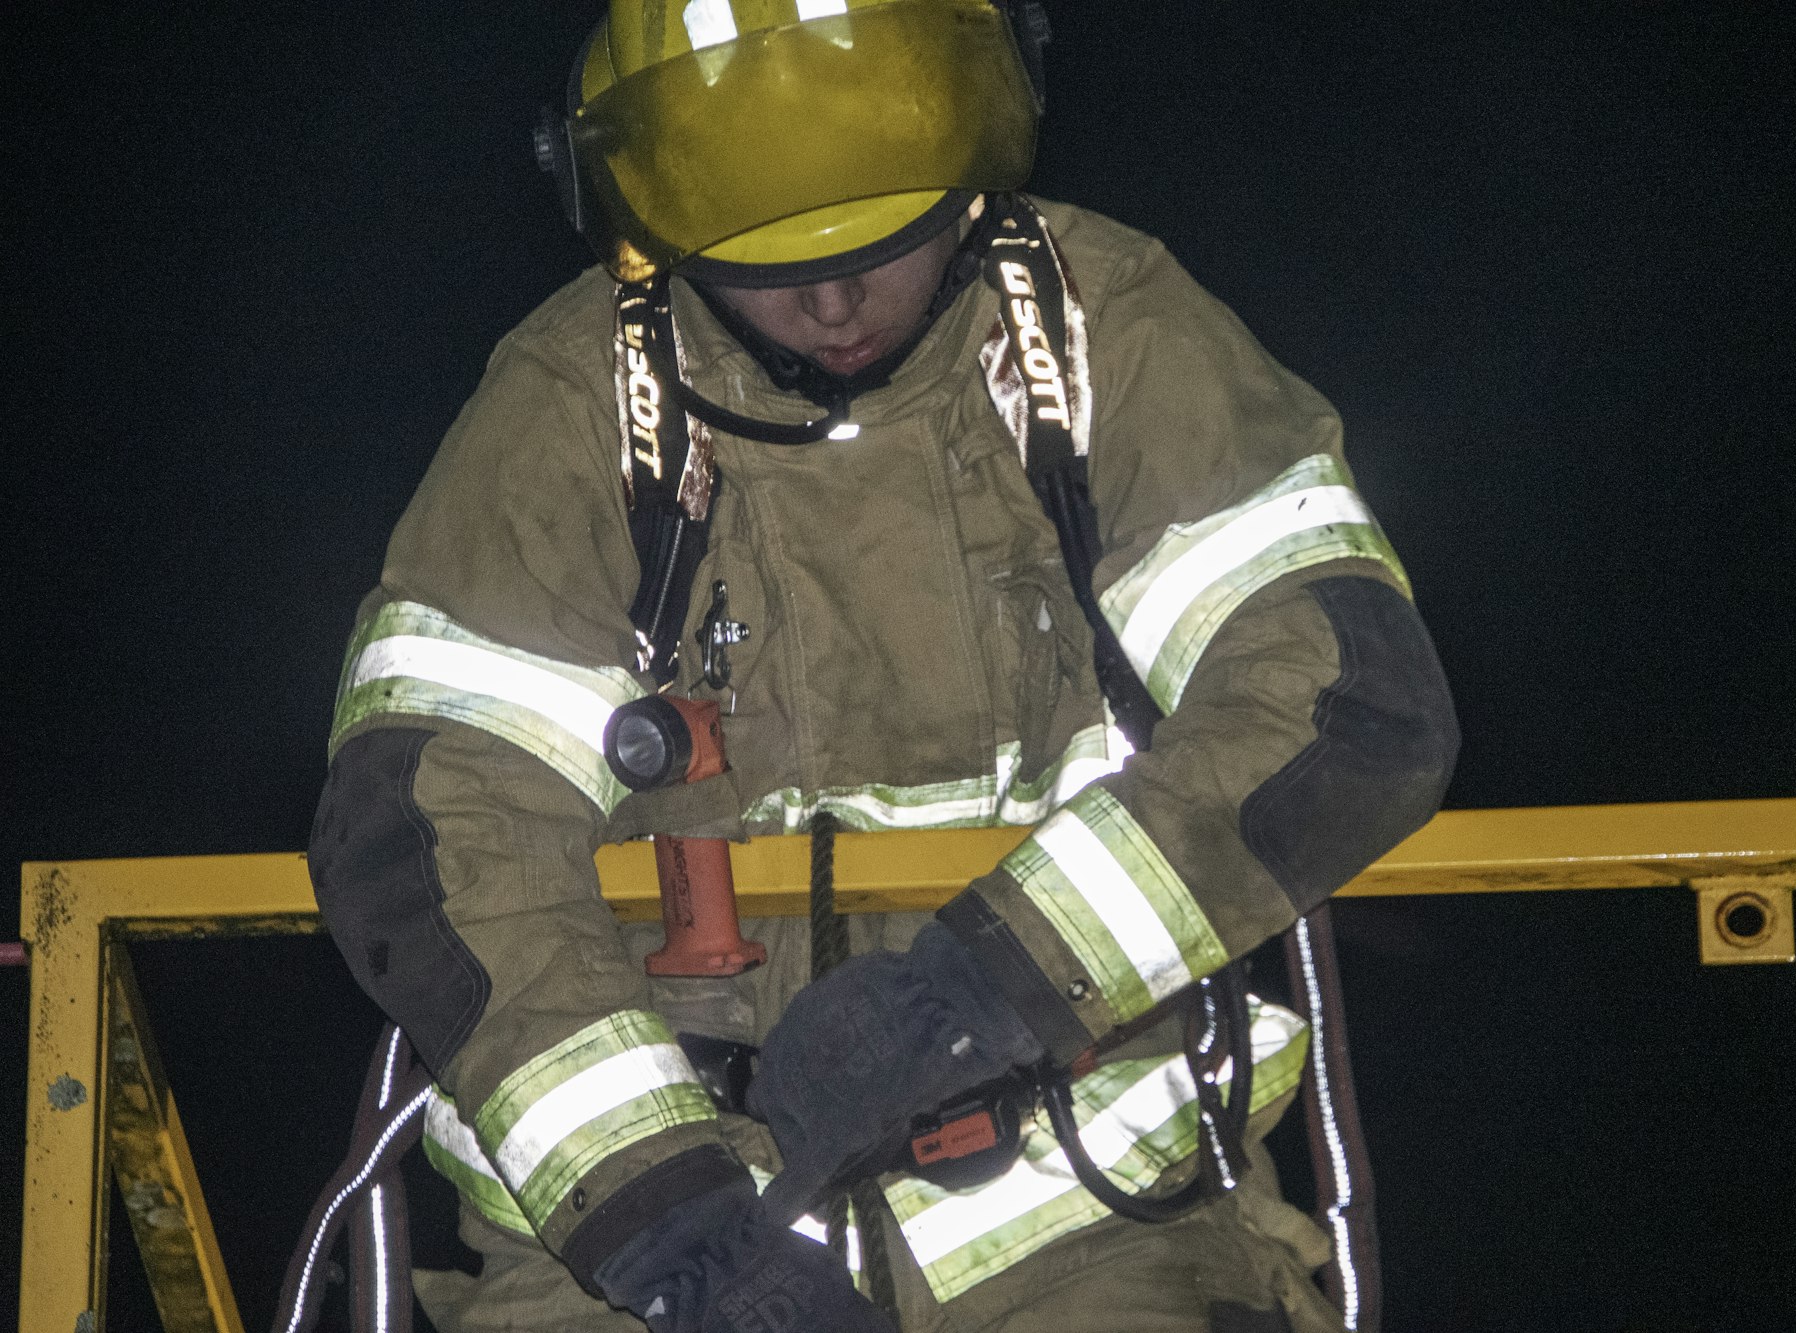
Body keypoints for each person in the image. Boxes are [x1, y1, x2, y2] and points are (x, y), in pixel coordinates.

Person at [306, 2, 1458, 1330]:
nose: (833, 300)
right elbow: (434, 828)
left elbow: (1346, 704)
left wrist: (985, 991)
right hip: (633, 1257)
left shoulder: (1102, 335)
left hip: (1099, 1218)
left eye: (881, 234)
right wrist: (672, 1226)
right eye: (766, 257)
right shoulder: (573, 407)